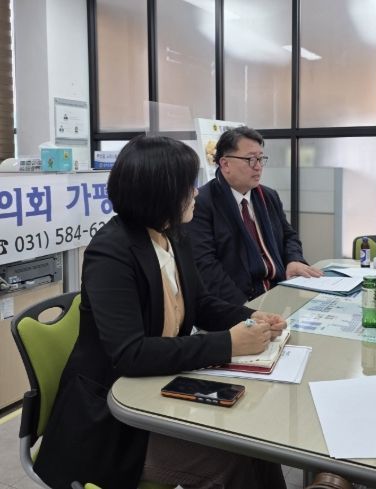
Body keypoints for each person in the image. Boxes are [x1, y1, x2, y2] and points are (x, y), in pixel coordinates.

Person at [33, 135, 288, 489]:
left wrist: (246, 318)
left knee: (254, 441)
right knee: (233, 458)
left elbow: (199, 303)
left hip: (156, 389)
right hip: (112, 421)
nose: (196, 193)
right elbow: (131, 354)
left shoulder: (172, 235)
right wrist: (229, 344)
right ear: (159, 192)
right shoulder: (110, 252)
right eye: (187, 186)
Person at [186, 126, 322, 305]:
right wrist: (246, 308)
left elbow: (289, 236)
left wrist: (293, 260)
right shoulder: (202, 203)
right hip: (236, 302)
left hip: (279, 290)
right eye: (250, 159)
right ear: (225, 164)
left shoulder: (268, 196)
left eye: (260, 159)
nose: (258, 167)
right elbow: (206, 266)